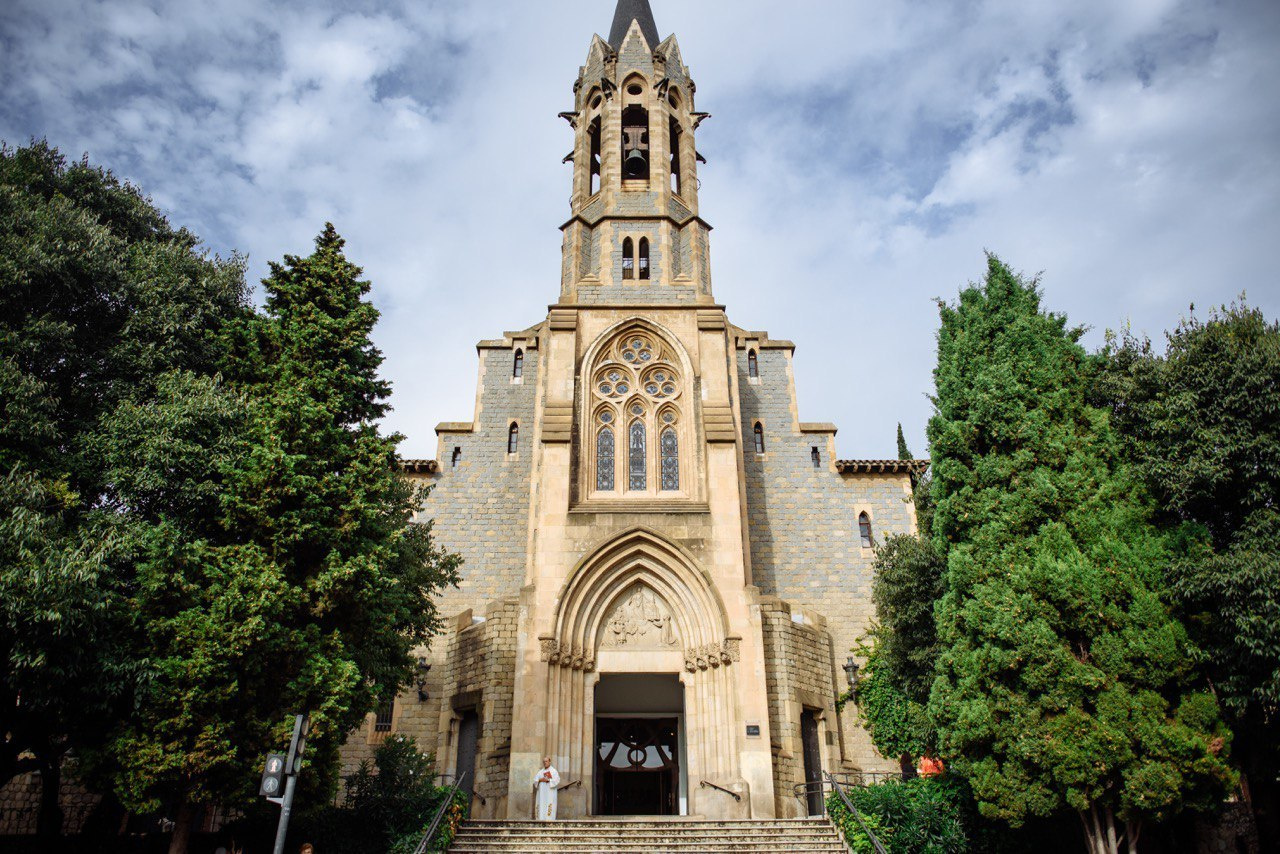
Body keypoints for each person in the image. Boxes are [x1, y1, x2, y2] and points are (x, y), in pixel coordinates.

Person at [533, 756, 560, 821]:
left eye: (546, 761)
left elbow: (557, 780)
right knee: (541, 805)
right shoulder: (540, 772)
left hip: (550, 793)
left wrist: (548, 780)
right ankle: (540, 819)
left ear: (549, 762)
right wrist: (540, 780)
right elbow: (535, 781)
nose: (545, 763)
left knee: (549, 805)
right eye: (544, 762)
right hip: (541, 794)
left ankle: (549, 820)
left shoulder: (553, 771)